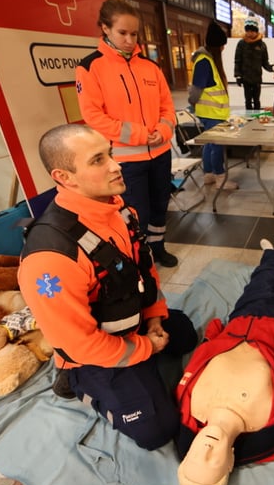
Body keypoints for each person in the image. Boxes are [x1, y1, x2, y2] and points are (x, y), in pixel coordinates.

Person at [18, 124, 198, 451]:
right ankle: (74, 382)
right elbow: (79, 344)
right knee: (157, 431)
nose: (116, 165)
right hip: (91, 353)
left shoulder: (120, 212)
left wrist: (155, 318)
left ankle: (141, 364)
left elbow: (144, 271)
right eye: (98, 160)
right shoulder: (51, 257)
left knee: (186, 333)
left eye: (111, 154)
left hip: (133, 321)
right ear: (65, 177)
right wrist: (146, 348)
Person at [175, 238, 274, 485]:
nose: (206, 450)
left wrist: (213, 336)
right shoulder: (272, 425)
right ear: (230, 463)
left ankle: (271, 256)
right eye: (213, 463)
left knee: (261, 280)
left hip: (242, 321)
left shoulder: (187, 409)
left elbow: (198, 363)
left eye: (195, 457)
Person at [75, 0, 179, 267]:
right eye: (123, 32)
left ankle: (158, 247)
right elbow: (94, 116)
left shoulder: (150, 67)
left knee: (159, 207)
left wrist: (163, 131)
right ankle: (139, 257)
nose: (130, 39)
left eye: (134, 34)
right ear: (105, 29)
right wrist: (142, 134)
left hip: (160, 153)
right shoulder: (90, 67)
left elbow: (168, 107)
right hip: (125, 161)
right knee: (135, 214)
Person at [189, 21, 238, 191]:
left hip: (214, 112)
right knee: (217, 145)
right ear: (217, 46)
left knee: (210, 144)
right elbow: (196, 88)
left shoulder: (208, 60)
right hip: (211, 112)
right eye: (222, 45)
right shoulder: (204, 61)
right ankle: (220, 178)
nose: (223, 49)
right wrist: (191, 103)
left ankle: (208, 175)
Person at [234, 18, 274, 111]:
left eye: (252, 31)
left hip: (257, 78)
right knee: (247, 100)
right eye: (247, 31)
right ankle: (248, 119)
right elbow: (237, 60)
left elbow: (265, 62)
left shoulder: (262, 45)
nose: (250, 33)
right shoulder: (241, 44)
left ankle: (256, 118)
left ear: (256, 31)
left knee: (257, 100)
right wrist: (238, 76)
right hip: (245, 78)